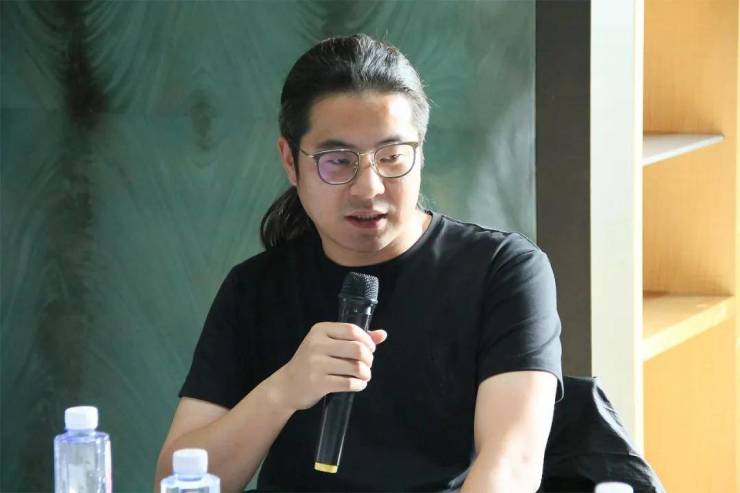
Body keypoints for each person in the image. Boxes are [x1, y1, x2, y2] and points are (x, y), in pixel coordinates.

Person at [154, 33, 563, 493]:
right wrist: (284, 389)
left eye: (392, 157)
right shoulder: (256, 288)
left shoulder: (501, 271)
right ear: (290, 161)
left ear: (421, 152)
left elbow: (511, 466)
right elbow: (175, 481)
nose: (369, 188)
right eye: (337, 161)